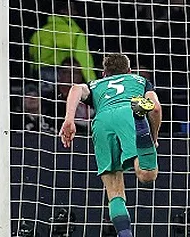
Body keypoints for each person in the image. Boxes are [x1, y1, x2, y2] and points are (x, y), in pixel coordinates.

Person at [59, 54, 162, 237]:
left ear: (104, 73)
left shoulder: (96, 84)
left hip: (102, 121)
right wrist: (152, 137)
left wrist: (69, 119)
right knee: (147, 175)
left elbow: (75, 88)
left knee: (114, 190)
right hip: (129, 113)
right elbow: (155, 108)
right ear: (129, 71)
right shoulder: (140, 81)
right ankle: (140, 124)